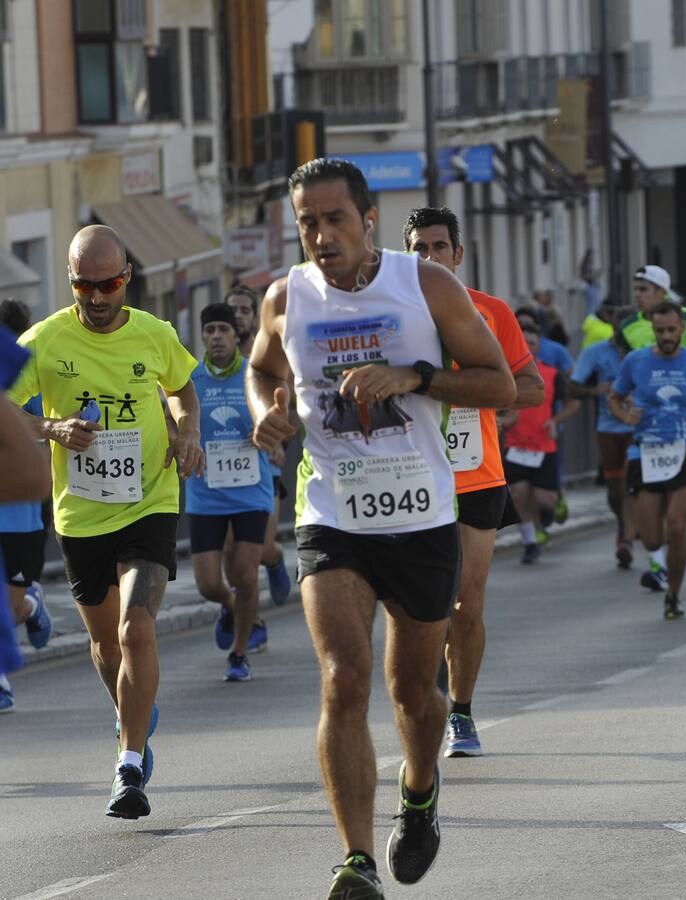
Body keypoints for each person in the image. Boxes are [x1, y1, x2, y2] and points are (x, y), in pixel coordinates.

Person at [246, 158, 515, 897]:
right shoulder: (285, 296)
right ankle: (356, 860)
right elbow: (262, 368)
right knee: (342, 678)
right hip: (332, 511)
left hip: (423, 512)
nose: (322, 237)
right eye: (308, 224)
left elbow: (498, 383)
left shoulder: (425, 286)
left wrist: (415, 379)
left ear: (368, 219)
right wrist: (268, 409)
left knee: (412, 693)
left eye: (335, 220)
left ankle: (420, 789)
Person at [10, 225, 205, 818]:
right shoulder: (42, 341)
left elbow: (182, 391)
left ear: (128, 278)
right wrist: (53, 429)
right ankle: (134, 711)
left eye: (110, 284)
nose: (97, 298)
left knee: (135, 629)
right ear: (70, 282)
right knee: (104, 643)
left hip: (149, 500)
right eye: (83, 286)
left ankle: (128, 765)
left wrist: (188, 430)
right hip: (80, 514)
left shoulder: (154, 333)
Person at [402, 205, 545, 759]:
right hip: (412, 475)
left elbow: (529, 388)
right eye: (419, 248)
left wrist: (465, 388)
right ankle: (425, 699)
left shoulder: (489, 312)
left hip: (477, 475)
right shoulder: (395, 317)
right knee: (423, 603)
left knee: (468, 600)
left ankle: (459, 710)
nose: (431, 257)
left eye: (440, 247)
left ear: (458, 255)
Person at [610, 301, 686, 620]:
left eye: (672, 330)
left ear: (682, 329)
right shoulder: (635, 361)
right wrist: (625, 415)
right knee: (651, 536)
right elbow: (615, 398)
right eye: (660, 331)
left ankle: (673, 594)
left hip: (685, 447)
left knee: (675, 527)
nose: (666, 336)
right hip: (646, 451)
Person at [186, 303, 275, 682]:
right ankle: (231, 604)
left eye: (224, 329)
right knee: (208, 584)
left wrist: (270, 431)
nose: (217, 336)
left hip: (250, 490)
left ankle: (239, 653)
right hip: (205, 491)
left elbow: (278, 414)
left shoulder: (253, 375)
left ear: (236, 336)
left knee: (244, 572)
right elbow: (175, 421)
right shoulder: (189, 378)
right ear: (203, 337)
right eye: (210, 331)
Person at [226, 285, 292, 608]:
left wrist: (279, 441)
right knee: (236, 558)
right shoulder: (214, 359)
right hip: (226, 470)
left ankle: (277, 560)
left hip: (267, 462)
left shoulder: (265, 357)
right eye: (232, 310)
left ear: (255, 317)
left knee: (262, 546)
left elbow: (287, 402)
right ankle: (252, 624)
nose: (238, 316)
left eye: (244, 310)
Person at [0, 320, 54, 710]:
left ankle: (30, 604)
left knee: (11, 609)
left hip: (20, 519)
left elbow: (36, 471)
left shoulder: (29, 382)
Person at [502, 322, 579, 563]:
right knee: (519, 493)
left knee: (544, 499)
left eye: (532, 342)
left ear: (539, 346)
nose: (527, 346)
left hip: (544, 445)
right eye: (522, 342)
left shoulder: (551, 374)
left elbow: (573, 402)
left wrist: (556, 420)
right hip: (515, 445)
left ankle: (549, 508)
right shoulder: (505, 374)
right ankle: (530, 542)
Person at [569, 305, 638, 568]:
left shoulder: (643, 351)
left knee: (630, 487)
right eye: (620, 326)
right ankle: (625, 525)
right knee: (615, 491)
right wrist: (597, 389)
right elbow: (573, 387)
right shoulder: (596, 351)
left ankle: (626, 539)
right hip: (608, 429)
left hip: (638, 428)